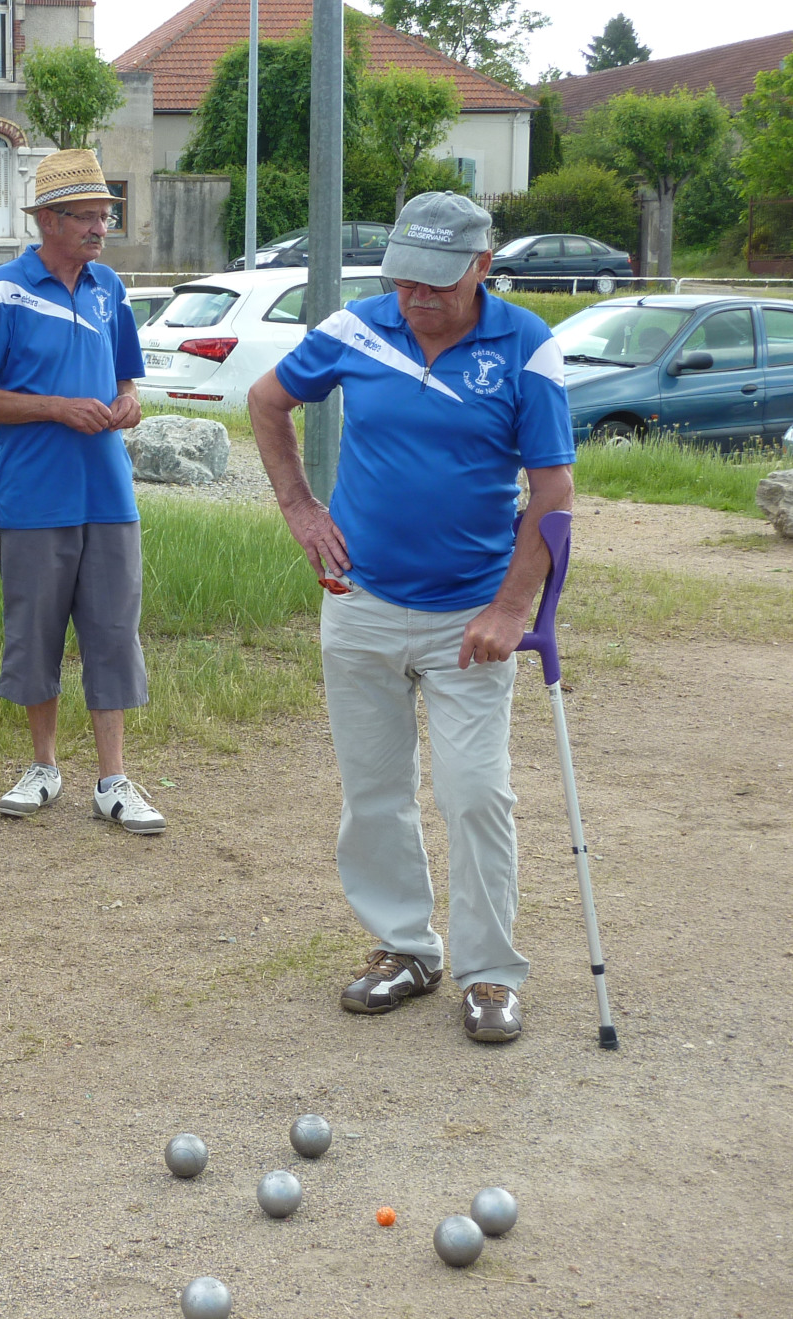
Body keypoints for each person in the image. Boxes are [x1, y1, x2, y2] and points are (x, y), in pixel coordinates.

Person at [246, 193, 576, 1044]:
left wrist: (513, 608)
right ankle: (405, 949)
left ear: (481, 268)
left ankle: (491, 973)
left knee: (476, 793)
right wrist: (301, 509)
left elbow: (551, 492)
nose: (416, 298)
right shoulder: (357, 329)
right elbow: (266, 400)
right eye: (402, 279)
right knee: (374, 793)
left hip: (471, 616)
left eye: (435, 282)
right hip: (361, 604)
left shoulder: (526, 347)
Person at [0, 150, 161, 835]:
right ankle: (42, 766)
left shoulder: (111, 288)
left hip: (108, 493)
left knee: (111, 633)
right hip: (32, 494)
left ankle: (114, 779)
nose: (101, 226)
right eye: (88, 216)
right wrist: (56, 408)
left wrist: (126, 404)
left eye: (106, 214)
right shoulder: (2, 289)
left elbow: (127, 380)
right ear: (47, 220)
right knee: (35, 634)